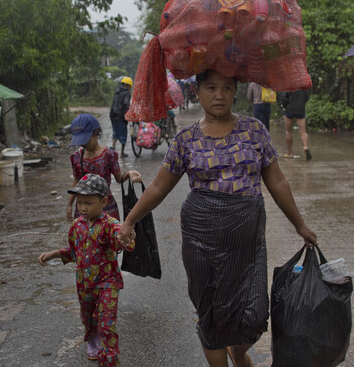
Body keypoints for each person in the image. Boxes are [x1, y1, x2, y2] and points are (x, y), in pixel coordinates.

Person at [119, 70, 317, 367]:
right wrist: (131, 220)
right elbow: (160, 185)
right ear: (197, 92)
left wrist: (300, 224)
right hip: (201, 238)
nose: (219, 94)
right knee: (210, 311)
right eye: (211, 87)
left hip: (246, 240)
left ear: (236, 91)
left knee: (253, 313)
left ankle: (238, 353)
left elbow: (276, 182)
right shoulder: (186, 138)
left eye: (226, 87)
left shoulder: (254, 130)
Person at [39, 174, 135, 366]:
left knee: (107, 324)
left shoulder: (109, 224)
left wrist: (128, 237)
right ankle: (92, 339)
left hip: (107, 283)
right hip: (84, 284)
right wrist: (54, 254)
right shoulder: (77, 225)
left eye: (89, 203)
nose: (83, 208)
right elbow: (75, 252)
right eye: (80, 203)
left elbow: (122, 236)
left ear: (104, 201)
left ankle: (109, 359)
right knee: (88, 318)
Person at [67, 113, 142, 222]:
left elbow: (119, 179)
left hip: (106, 209)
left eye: (85, 139)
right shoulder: (76, 157)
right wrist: (69, 204)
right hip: (84, 210)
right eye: (80, 141)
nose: (82, 144)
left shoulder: (109, 155)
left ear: (96, 133)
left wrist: (129, 174)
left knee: (108, 237)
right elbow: (77, 181)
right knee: (85, 238)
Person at [278, 89, 311, 160]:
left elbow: (284, 97)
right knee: (303, 131)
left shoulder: (289, 82)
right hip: (300, 109)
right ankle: (305, 146)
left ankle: (290, 153)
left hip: (289, 109)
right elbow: (307, 95)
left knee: (288, 131)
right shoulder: (303, 83)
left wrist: (284, 105)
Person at [109, 77, 133, 156]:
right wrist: (128, 112)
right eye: (130, 86)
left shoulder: (116, 91)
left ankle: (113, 147)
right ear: (127, 85)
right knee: (123, 133)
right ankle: (122, 153)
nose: (130, 88)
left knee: (115, 131)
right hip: (121, 116)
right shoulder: (127, 93)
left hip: (112, 114)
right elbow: (126, 104)